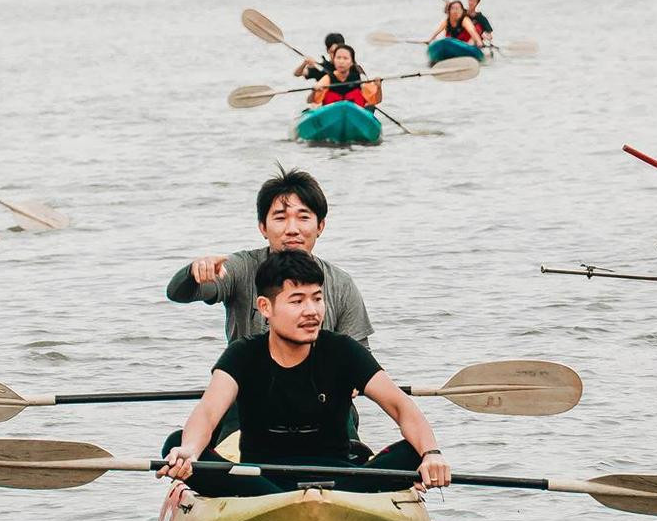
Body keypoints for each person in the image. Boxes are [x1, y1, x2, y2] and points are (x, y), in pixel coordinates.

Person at [158, 251, 451, 497]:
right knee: (175, 443)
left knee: (414, 450)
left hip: (340, 479)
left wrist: (431, 455)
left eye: (317, 299)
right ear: (265, 307)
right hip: (261, 481)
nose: (311, 311)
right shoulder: (243, 353)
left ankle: (327, 499)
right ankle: (282, 501)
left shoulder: (342, 350)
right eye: (297, 301)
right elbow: (208, 412)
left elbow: (402, 407)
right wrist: (190, 451)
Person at [166, 167, 372, 345]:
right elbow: (179, 293)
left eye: (303, 217)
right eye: (280, 218)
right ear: (263, 227)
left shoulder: (341, 285)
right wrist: (194, 273)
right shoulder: (240, 269)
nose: (292, 229)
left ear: (320, 226)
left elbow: (361, 357)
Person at [310, 42, 382, 110]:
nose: (341, 61)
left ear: (352, 62)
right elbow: (310, 100)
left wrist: (378, 87)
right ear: (334, 60)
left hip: (355, 114)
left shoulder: (360, 78)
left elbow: (377, 100)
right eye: (338, 58)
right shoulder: (327, 79)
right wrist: (314, 91)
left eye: (345, 58)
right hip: (332, 114)